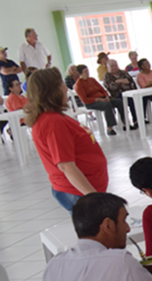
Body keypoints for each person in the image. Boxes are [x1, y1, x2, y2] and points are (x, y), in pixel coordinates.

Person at [25, 68, 108, 211]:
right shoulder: (53, 122)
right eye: (61, 84)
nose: (65, 87)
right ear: (52, 91)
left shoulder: (54, 117)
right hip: (78, 192)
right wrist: (93, 197)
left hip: (81, 191)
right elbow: (66, 166)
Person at [74, 64, 128, 135]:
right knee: (107, 105)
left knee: (119, 101)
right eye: (85, 71)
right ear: (80, 73)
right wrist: (98, 99)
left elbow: (102, 90)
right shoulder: (78, 85)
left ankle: (125, 123)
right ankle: (110, 127)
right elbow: (85, 99)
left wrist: (106, 96)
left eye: (87, 70)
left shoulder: (92, 79)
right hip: (91, 102)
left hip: (103, 98)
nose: (87, 72)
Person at [103, 58, 147, 125]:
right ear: (108, 67)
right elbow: (113, 87)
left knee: (140, 98)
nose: (114, 67)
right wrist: (123, 81)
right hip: (117, 95)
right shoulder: (107, 76)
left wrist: (118, 82)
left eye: (115, 65)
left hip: (130, 92)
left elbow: (130, 81)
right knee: (129, 100)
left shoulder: (123, 72)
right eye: (112, 66)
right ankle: (129, 122)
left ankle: (139, 119)